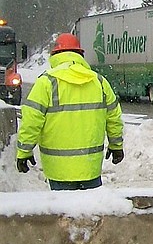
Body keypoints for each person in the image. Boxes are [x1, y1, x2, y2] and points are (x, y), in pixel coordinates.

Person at [15, 32, 125, 190]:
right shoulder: (99, 82)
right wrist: (116, 145)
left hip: (58, 170)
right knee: (92, 213)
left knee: (64, 213)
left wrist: (24, 151)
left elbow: (31, 121)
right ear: (80, 54)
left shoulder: (46, 82)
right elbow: (114, 117)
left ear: (54, 55)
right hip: (90, 168)